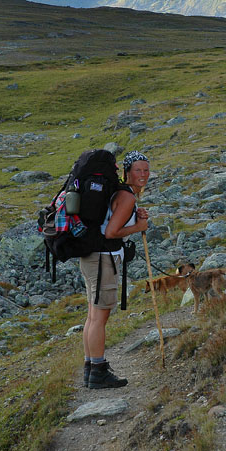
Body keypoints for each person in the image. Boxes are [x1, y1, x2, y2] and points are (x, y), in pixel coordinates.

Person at [81, 150, 150, 389]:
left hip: (93, 258)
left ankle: (91, 368)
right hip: (103, 259)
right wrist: (139, 226)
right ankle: (98, 371)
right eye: (138, 170)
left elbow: (113, 219)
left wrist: (135, 217)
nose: (143, 174)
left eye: (146, 170)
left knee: (93, 315)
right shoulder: (127, 196)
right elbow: (111, 232)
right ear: (127, 172)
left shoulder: (121, 193)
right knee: (99, 317)